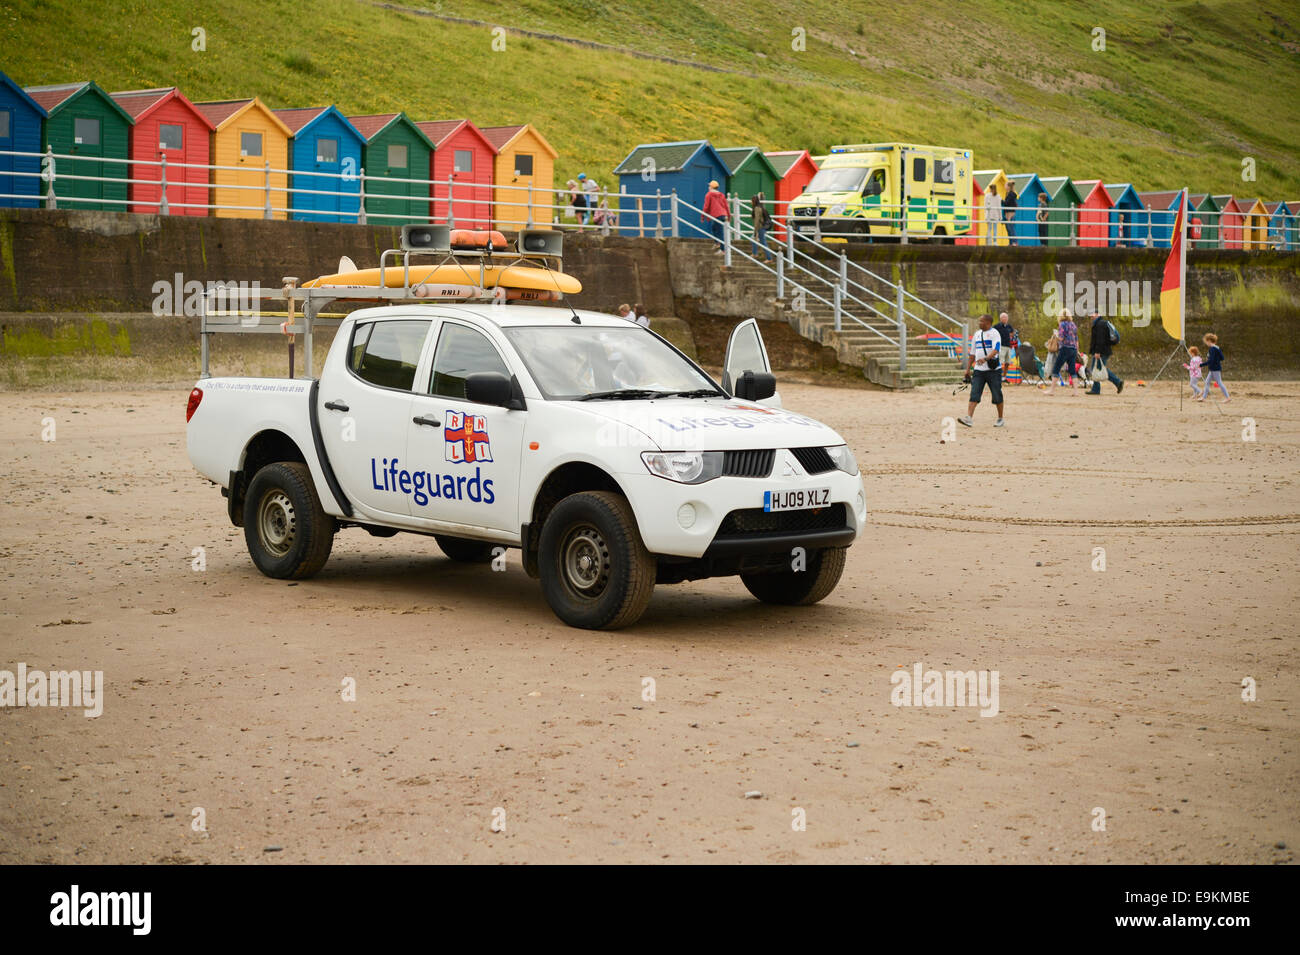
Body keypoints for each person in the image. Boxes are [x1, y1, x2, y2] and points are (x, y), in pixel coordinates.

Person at [958, 313, 1005, 428]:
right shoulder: (977, 335)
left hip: (993, 370)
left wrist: (985, 359)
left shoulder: (995, 333)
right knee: (974, 393)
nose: (979, 323)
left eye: (981, 321)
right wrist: (968, 369)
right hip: (979, 371)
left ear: (988, 323)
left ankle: (1000, 418)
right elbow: (972, 353)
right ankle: (969, 418)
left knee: (997, 394)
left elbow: (996, 349)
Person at [1087, 310, 1124, 394]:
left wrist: (1097, 352)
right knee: (1097, 368)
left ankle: (1118, 382)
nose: (1091, 316)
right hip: (1103, 350)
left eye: (1092, 314)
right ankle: (1096, 389)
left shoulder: (1100, 324)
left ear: (1097, 314)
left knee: (1097, 369)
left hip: (1101, 351)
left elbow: (1100, 340)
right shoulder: (1100, 323)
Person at [1050, 308, 1080, 392]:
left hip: (1065, 348)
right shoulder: (1073, 325)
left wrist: (1055, 336)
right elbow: (1076, 339)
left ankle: (1051, 390)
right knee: (1072, 371)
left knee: (1056, 368)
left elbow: (1061, 338)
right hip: (1073, 349)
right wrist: (1077, 350)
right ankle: (1076, 392)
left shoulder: (1062, 324)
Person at [1199, 333, 1229, 401]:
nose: (1206, 343)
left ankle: (1228, 397)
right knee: (1207, 382)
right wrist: (1215, 360)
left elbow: (1211, 360)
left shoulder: (1212, 349)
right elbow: (1222, 358)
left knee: (1219, 382)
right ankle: (1203, 397)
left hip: (1214, 369)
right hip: (1214, 368)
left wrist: (1201, 365)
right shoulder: (1217, 347)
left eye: (1206, 342)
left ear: (1209, 341)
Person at [702, 180, 729, 252]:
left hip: (717, 215)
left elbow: (706, 206)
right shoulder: (722, 195)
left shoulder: (709, 195)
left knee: (719, 232)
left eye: (709, 186)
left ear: (711, 187)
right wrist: (729, 216)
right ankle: (717, 243)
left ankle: (723, 250)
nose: (708, 187)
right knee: (714, 228)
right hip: (724, 214)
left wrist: (703, 216)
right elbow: (726, 206)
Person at [750, 191, 774, 261]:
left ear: (754, 201)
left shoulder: (757, 208)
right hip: (762, 227)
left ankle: (768, 258)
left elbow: (757, 220)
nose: (750, 202)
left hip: (760, 227)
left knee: (762, 242)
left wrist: (755, 231)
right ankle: (755, 253)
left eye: (751, 201)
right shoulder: (760, 207)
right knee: (755, 239)